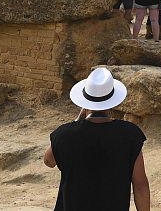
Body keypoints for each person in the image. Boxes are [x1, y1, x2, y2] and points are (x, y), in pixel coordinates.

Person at [44, 67, 149, 211]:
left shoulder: (64, 135)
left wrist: (76, 121)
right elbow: (140, 185)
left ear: (84, 103)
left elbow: (48, 161)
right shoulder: (129, 134)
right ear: (112, 102)